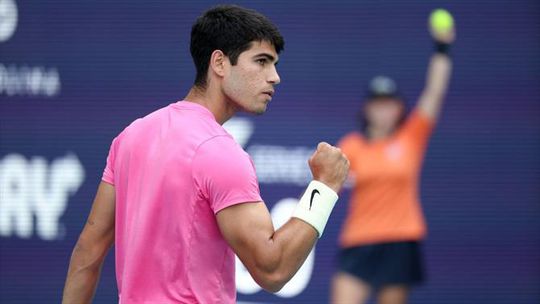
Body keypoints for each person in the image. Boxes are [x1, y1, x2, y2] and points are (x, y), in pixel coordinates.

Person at [62, 5, 349, 304]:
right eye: (261, 61)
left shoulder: (131, 135)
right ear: (219, 63)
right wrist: (324, 187)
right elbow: (272, 268)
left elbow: (88, 254)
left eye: (274, 64)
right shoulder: (219, 151)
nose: (274, 76)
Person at [331, 15, 456, 304]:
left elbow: (434, 93)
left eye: (389, 104)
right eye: (377, 104)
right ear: (367, 109)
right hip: (359, 242)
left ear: (399, 109)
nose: (383, 110)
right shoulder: (351, 145)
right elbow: (329, 183)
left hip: (401, 241)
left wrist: (442, 49)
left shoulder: (411, 137)